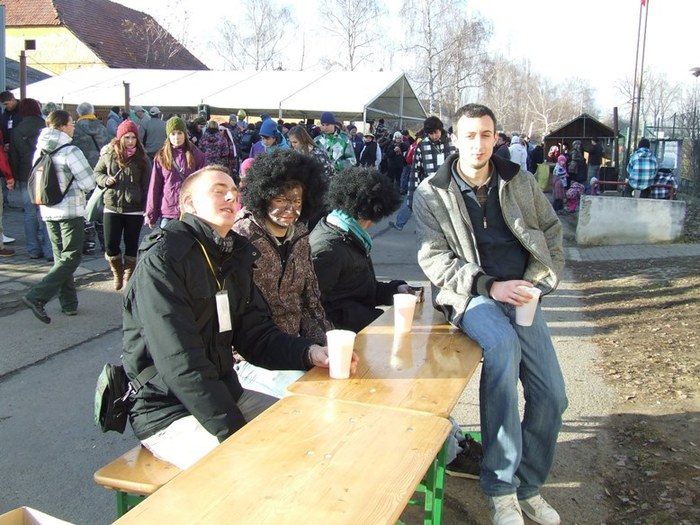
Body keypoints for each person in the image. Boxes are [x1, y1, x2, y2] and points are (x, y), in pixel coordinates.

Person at [121, 165, 355, 470]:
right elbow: (180, 363)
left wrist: (310, 352)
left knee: (311, 432)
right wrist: (236, 434)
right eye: (219, 191)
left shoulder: (232, 253)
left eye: (234, 191)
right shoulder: (163, 259)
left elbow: (256, 334)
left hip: (227, 393)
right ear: (189, 204)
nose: (231, 197)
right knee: (255, 466)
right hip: (167, 411)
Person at [413, 103, 567, 525]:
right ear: (454, 139)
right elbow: (434, 258)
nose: (478, 144)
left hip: (522, 295)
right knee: (501, 348)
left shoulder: (520, 181)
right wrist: (488, 285)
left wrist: (538, 282)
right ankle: (500, 489)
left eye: (485, 134)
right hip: (470, 295)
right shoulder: (431, 192)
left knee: (553, 395)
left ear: (496, 137)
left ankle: (528, 486)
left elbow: (552, 233)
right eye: (469, 135)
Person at [232, 149, 333, 398]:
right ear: (263, 197)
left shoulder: (301, 236)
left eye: (297, 201)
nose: (290, 208)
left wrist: (327, 342)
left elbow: (310, 302)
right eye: (280, 199)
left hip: (295, 349)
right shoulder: (240, 237)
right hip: (249, 357)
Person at [309, 167, 418, 332]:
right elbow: (313, 309)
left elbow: (361, 289)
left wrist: (395, 290)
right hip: (347, 337)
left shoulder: (350, 235)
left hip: (363, 328)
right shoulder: (328, 249)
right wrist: (372, 321)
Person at [21, 110, 96, 324]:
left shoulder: (40, 148)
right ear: (62, 126)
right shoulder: (71, 150)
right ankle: (37, 296)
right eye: (71, 124)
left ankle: (69, 304)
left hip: (48, 209)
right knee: (71, 257)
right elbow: (89, 182)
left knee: (60, 257)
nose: (73, 127)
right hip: (70, 210)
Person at [93, 120, 151, 290]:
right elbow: (97, 172)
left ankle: (128, 275)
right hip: (112, 206)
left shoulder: (142, 157)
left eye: (133, 137)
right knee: (111, 245)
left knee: (131, 244)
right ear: (120, 138)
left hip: (134, 208)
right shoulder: (109, 154)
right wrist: (105, 180)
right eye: (127, 137)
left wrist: (147, 207)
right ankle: (117, 271)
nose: (130, 141)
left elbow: (148, 184)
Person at [390, 116, 455, 232]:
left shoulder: (452, 142)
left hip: (449, 188)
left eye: (436, 132)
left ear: (441, 129)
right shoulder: (422, 146)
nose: (434, 136)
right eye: (431, 133)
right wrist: (412, 194)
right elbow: (415, 171)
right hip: (430, 188)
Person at [8, 99, 53, 260]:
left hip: (25, 174)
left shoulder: (17, 130)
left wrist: (13, 176)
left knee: (29, 213)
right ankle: (49, 250)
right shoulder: (46, 127)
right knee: (46, 212)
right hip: (44, 173)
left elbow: (13, 157)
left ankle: (33, 249)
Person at [145, 116, 206, 229]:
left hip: (190, 211)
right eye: (173, 134)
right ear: (168, 136)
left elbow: (204, 185)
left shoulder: (197, 155)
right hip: (168, 211)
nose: (176, 137)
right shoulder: (162, 156)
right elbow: (155, 186)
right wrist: (151, 214)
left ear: (185, 134)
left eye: (179, 133)